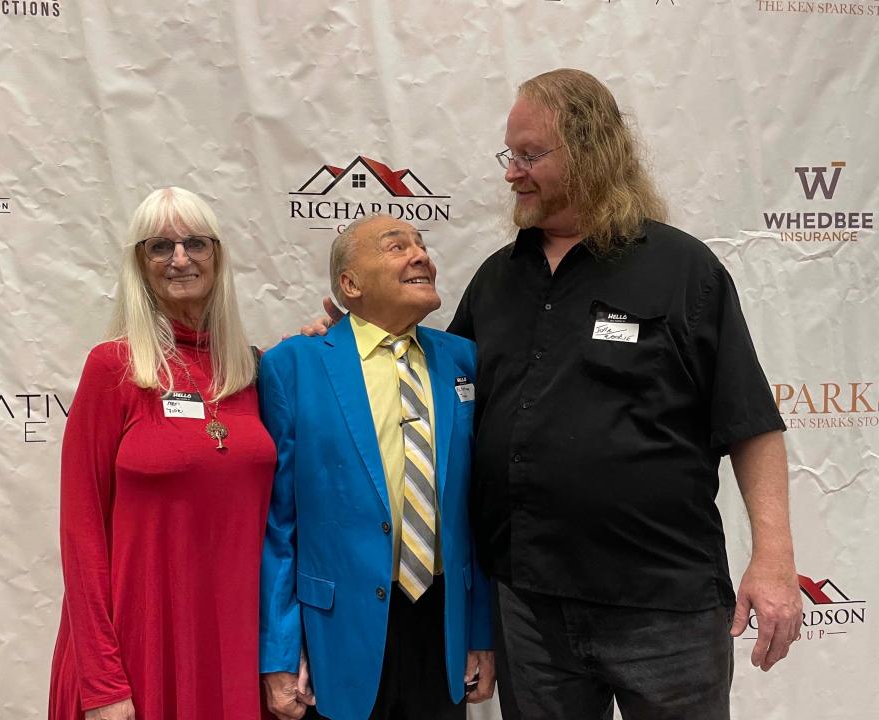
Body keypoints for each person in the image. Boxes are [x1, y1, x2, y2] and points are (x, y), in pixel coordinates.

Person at [307, 69, 803, 720]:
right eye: (508, 155)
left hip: (663, 604)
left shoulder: (683, 271)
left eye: (529, 155)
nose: (512, 173)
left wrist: (773, 560)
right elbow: (424, 385)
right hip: (531, 605)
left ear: (591, 148)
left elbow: (750, 422)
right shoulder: (497, 280)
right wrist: (347, 339)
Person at [48, 187, 275, 720]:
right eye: (159, 247)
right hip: (136, 649)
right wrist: (102, 684)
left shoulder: (253, 370)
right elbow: (80, 533)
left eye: (195, 242)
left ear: (217, 256)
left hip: (234, 647)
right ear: (139, 264)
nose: (179, 258)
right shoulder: (113, 368)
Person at [258, 215, 495, 720]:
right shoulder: (292, 365)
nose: (421, 256)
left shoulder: (464, 361)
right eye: (397, 246)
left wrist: (480, 633)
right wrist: (279, 654)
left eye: (422, 245)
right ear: (350, 284)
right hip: (334, 633)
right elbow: (277, 526)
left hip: (440, 623)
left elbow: (477, 515)